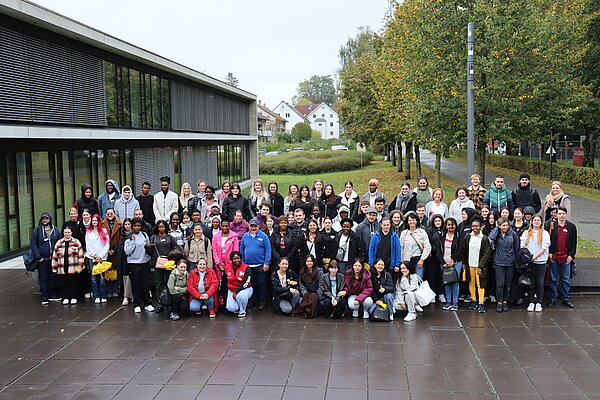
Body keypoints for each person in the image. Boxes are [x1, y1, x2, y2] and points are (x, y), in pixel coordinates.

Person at [547, 207, 577, 309]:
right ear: (556, 215)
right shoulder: (551, 226)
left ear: (566, 214)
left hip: (565, 257)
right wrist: (550, 253)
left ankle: (565, 298)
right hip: (554, 257)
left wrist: (571, 256)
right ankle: (553, 298)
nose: (561, 215)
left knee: (565, 279)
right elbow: (547, 241)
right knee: (553, 279)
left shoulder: (571, 227)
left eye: (563, 213)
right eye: (559, 213)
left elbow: (574, 243)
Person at [488, 217, 520, 313]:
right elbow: (490, 239)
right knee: (500, 284)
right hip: (499, 262)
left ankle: (505, 301)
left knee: (507, 284)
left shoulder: (512, 234)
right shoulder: (497, 234)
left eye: (507, 225)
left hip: (510, 262)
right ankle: (499, 302)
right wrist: (496, 229)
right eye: (503, 225)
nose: (505, 227)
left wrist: (515, 261)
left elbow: (516, 247)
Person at [240, 218, 271, 310]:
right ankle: (253, 301)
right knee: (251, 284)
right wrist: (243, 263)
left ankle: (262, 301)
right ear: (249, 227)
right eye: (251, 226)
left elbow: (268, 250)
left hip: (260, 265)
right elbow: (242, 250)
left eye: (255, 226)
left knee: (261, 283)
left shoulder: (264, 236)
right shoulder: (245, 236)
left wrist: (266, 263)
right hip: (248, 266)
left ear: (258, 226)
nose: (253, 228)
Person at [124, 218, 154, 313]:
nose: (137, 228)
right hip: (133, 264)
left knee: (145, 284)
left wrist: (148, 247)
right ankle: (137, 304)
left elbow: (148, 246)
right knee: (135, 284)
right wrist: (132, 242)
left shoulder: (144, 235)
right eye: (135, 226)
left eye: (139, 226)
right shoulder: (129, 237)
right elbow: (127, 252)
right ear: (132, 227)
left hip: (144, 262)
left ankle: (147, 303)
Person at [521, 214, 550, 312]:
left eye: (538, 220)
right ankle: (531, 302)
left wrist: (534, 257)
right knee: (531, 282)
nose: (536, 222)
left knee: (540, 282)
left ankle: (539, 303)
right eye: (535, 220)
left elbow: (544, 248)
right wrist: (527, 257)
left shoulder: (545, 233)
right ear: (531, 222)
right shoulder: (526, 233)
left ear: (541, 222)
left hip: (541, 262)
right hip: (530, 262)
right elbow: (522, 245)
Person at [463, 216, 492, 313]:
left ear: (480, 227)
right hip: (470, 264)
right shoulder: (468, 237)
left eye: (477, 226)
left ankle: (481, 303)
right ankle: (473, 300)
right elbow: (465, 251)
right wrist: (464, 263)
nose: (475, 228)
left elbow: (487, 253)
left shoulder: (484, 238)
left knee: (481, 284)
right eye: (473, 226)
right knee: (471, 282)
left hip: (480, 265)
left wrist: (481, 266)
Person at [151, 220, 179, 312]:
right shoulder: (154, 237)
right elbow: (150, 252)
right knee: (158, 283)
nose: (161, 228)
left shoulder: (170, 237)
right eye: (159, 227)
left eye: (163, 227)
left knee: (169, 283)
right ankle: (160, 303)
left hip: (169, 263)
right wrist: (147, 247)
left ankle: (169, 302)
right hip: (157, 263)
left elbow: (176, 248)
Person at [51, 226, 84, 305]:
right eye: (65, 232)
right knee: (64, 282)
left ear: (71, 233)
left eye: (68, 232)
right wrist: (54, 267)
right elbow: (54, 255)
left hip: (73, 267)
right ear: (63, 233)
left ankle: (73, 297)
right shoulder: (59, 242)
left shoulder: (76, 242)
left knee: (73, 282)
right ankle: (66, 297)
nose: (67, 234)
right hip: (62, 266)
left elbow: (81, 255)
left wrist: (80, 265)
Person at [440, 218, 464, 311]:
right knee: (447, 282)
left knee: (455, 282)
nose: (451, 226)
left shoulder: (459, 236)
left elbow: (461, 249)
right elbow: (438, 249)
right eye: (449, 224)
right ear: (446, 226)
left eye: (453, 224)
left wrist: (453, 259)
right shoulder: (442, 236)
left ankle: (455, 302)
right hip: (444, 263)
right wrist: (442, 262)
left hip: (456, 263)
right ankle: (448, 301)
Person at [85, 214, 110, 304]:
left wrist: (101, 255)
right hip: (92, 257)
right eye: (93, 220)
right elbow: (88, 245)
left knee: (102, 277)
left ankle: (103, 295)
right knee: (93, 278)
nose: (94, 222)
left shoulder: (104, 231)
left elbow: (107, 244)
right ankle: (96, 296)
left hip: (102, 258)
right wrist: (95, 255)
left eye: (96, 220)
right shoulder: (88, 232)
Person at [399, 212, 431, 279]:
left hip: (418, 259)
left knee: (418, 278)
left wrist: (422, 259)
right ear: (407, 222)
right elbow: (401, 248)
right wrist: (402, 261)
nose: (412, 222)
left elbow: (427, 247)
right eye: (410, 220)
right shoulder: (404, 233)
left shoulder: (422, 232)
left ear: (416, 221)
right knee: (407, 279)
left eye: (413, 220)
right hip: (407, 260)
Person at [225, 251, 253, 317]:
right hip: (232, 289)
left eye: (238, 258)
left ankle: (242, 311)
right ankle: (239, 306)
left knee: (241, 296)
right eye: (234, 259)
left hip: (245, 289)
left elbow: (247, 282)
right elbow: (225, 281)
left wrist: (236, 291)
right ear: (231, 259)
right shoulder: (227, 268)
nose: (236, 260)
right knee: (231, 308)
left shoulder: (246, 267)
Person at [102, 208, 123, 298]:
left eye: (111, 213)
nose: (110, 215)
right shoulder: (102, 225)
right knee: (107, 272)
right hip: (105, 251)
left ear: (114, 214)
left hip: (116, 251)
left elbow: (121, 238)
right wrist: (107, 250)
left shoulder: (120, 224)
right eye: (108, 213)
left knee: (115, 272)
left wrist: (114, 250)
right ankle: (108, 291)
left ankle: (116, 290)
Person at [117, 218, 134, 306]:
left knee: (132, 278)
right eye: (126, 224)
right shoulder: (121, 235)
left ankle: (129, 295)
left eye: (129, 224)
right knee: (125, 277)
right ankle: (127, 295)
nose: (127, 226)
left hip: (133, 258)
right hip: (123, 259)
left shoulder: (134, 235)